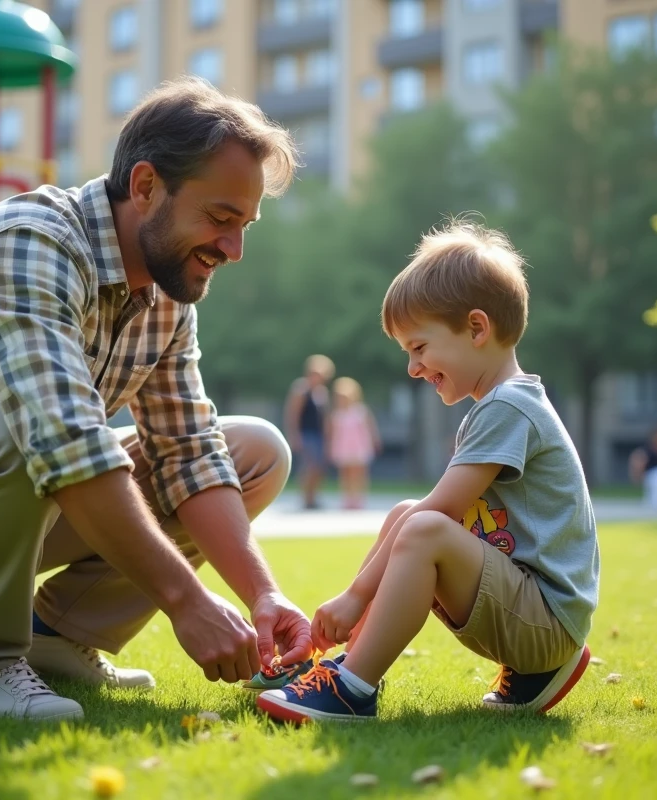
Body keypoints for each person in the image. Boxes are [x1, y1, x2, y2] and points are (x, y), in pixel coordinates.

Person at [0, 78, 313, 721]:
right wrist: (187, 601)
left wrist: (263, 595)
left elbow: (188, 451)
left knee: (252, 452)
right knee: (27, 428)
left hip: (5, 492)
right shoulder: (30, 243)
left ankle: (61, 640)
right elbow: (61, 439)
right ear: (147, 186)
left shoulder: (165, 287)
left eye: (245, 225)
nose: (233, 250)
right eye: (220, 218)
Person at [256, 221, 598, 722]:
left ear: (477, 329)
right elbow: (427, 513)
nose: (414, 369)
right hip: (537, 618)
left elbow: (443, 512)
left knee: (423, 526)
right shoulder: (499, 404)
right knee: (405, 514)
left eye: (419, 348)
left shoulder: (509, 408)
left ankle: (352, 690)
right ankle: (349, 664)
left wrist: (356, 595)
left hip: (543, 622)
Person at [284, 354, 335, 510]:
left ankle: (314, 497)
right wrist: (294, 435)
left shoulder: (322, 392)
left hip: (319, 435)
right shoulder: (300, 389)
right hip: (306, 434)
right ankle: (306, 499)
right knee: (309, 466)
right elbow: (293, 414)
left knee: (319, 468)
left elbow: (326, 417)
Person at [327, 377, 381, 510]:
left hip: (359, 447)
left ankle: (358, 498)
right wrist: (329, 447)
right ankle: (347, 499)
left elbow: (370, 428)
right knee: (345, 474)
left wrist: (375, 441)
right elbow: (331, 433)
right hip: (343, 447)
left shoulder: (361, 411)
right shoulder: (336, 414)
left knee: (359, 473)